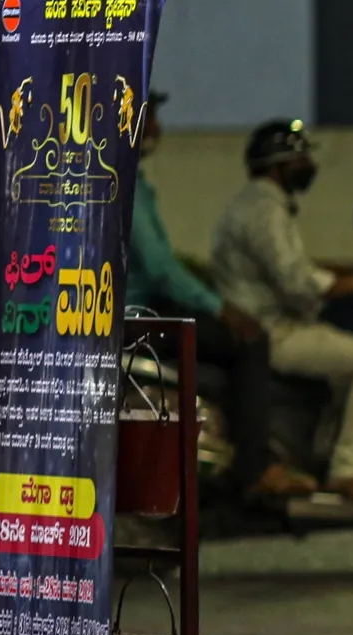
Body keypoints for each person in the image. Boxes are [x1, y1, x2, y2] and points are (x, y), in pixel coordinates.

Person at [210, 120, 353, 510]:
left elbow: (297, 267)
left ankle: (316, 454)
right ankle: (347, 470)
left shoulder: (258, 204)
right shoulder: (264, 209)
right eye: (301, 158)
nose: (308, 166)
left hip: (274, 323)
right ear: (280, 164)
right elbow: (299, 282)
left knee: (349, 361)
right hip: (273, 330)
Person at [125, 93, 315, 503]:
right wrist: (218, 307)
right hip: (136, 317)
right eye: (150, 118)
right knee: (251, 340)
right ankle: (254, 469)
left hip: (133, 312)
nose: (157, 129)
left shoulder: (128, 181)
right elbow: (160, 268)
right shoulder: (125, 186)